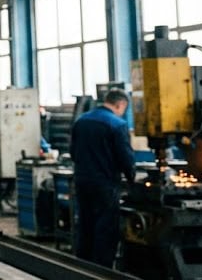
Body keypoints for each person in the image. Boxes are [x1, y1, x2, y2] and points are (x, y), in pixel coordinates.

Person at [70, 88, 135, 268]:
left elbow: (73, 152)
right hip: (105, 184)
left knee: (85, 224)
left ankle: (82, 267)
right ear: (120, 104)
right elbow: (125, 158)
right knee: (105, 227)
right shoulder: (117, 124)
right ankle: (102, 270)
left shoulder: (81, 120)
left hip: (82, 181)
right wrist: (132, 179)